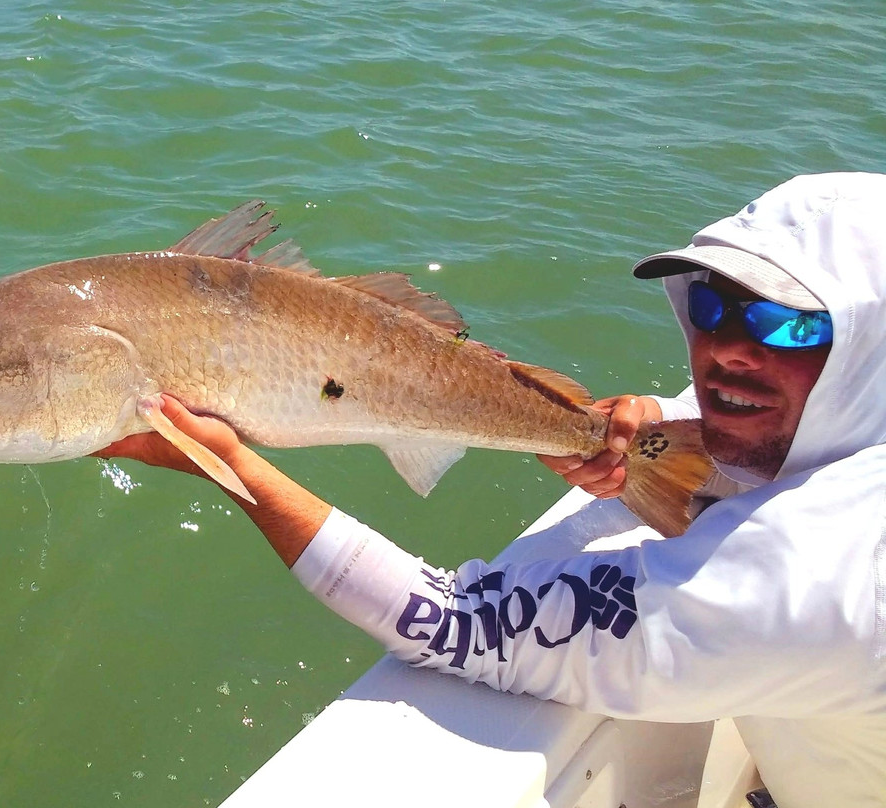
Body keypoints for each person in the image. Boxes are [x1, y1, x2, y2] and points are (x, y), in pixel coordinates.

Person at [96, 172, 886, 808]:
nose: (727, 351)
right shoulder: (847, 434)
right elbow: (715, 441)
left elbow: (458, 625)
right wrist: (652, 440)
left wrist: (230, 468)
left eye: (793, 327)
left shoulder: (830, 579)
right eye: (711, 306)